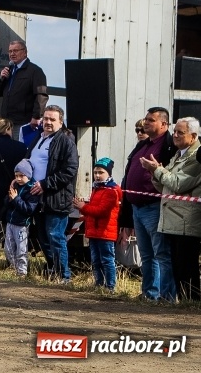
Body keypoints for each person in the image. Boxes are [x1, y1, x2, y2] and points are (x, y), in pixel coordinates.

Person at [120, 106, 177, 301]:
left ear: (164, 124)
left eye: (150, 120)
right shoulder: (143, 145)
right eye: (145, 119)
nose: (145, 123)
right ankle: (150, 294)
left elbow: (172, 177)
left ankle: (167, 296)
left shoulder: (169, 146)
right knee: (146, 255)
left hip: (155, 207)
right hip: (137, 208)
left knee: (161, 253)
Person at [142, 117, 201, 301]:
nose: (174, 135)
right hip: (173, 219)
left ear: (193, 136)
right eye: (174, 131)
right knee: (176, 263)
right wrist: (156, 172)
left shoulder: (196, 157)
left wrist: (157, 170)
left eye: (180, 133)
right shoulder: (179, 154)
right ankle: (183, 300)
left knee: (187, 264)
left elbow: (177, 184)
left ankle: (191, 301)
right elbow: (165, 187)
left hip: (186, 220)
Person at [26, 105, 78, 284]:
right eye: (46, 119)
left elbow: (69, 170)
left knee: (56, 236)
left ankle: (64, 276)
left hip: (56, 197)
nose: (48, 122)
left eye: (52, 119)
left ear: (60, 122)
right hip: (37, 197)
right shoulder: (38, 139)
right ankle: (53, 271)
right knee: (43, 237)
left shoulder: (65, 141)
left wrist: (45, 184)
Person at [74, 157, 122, 291]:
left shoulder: (112, 191)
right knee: (96, 260)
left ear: (109, 173)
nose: (97, 175)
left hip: (105, 232)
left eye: (101, 172)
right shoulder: (97, 188)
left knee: (107, 260)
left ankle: (110, 286)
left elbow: (101, 211)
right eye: (95, 172)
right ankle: (99, 284)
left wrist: (83, 207)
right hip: (94, 231)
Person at [0, 118, 27, 267]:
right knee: (12, 227)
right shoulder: (21, 148)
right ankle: (12, 261)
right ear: (8, 129)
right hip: (12, 191)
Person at [0, 40, 48, 141]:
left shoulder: (35, 71)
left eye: (16, 51)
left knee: (19, 151)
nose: (12, 54)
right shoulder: (9, 70)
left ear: (25, 52)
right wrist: (1, 79)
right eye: (10, 51)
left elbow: (41, 95)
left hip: (23, 122)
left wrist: (36, 116)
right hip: (6, 122)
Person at [4, 159, 39, 277]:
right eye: (16, 176)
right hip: (11, 221)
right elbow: (7, 204)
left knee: (21, 249)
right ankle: (13, 268)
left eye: (21, 176)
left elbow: (29, 209)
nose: (18, 179)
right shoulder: (15, 186)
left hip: (22, 224)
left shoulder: (31, 190)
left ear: (28, 175)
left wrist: (16, 199)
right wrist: (10, 198)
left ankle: (22, 271)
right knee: (8, 248)